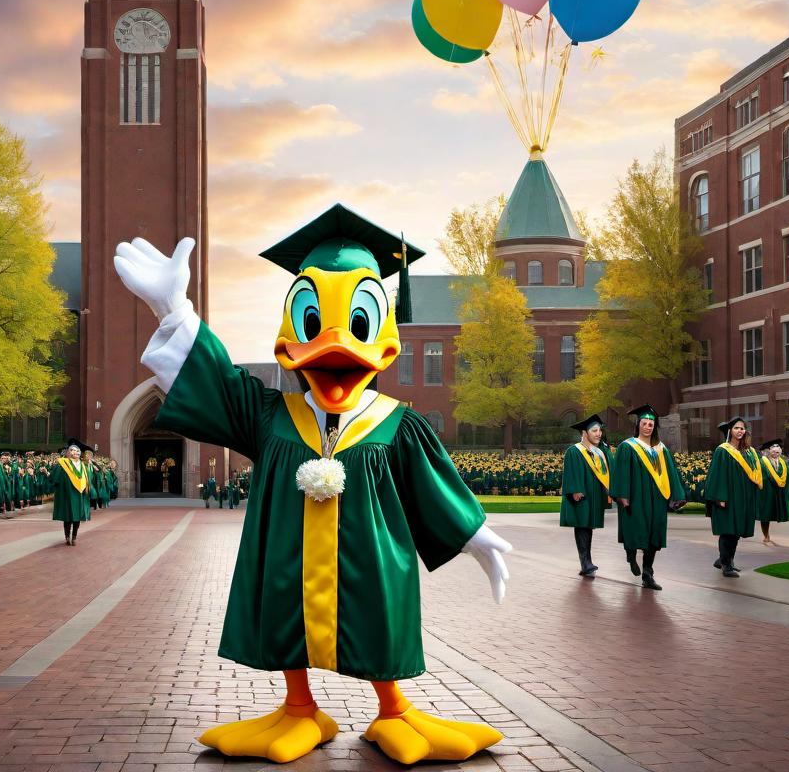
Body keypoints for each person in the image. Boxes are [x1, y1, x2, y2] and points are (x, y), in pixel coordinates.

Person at [114, 210, 512, 764]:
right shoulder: (269, 415)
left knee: (376, 615)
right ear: (287, 335)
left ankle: (395, 711)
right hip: (287, 558)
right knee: (284, 609)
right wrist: (173, 309)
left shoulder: (398, 424)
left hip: (369, 562)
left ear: (386, 341)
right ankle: (300, 708)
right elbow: (216, 382)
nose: (333, 349)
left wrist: (476, 535)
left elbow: (432, 487)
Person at [610, 405, 686, 591]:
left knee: (654, 534)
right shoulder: (628, 447)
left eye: (651, 424)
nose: (648, 427)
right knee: (636, 529)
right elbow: (621, 473)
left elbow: (671, 473)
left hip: (657, 498)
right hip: (636, 497)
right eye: (644, 423)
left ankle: (648, 573)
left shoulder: (661, 449)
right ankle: (631, 554)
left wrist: (677, 495)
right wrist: (623, 495)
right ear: (638, 425)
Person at [704, 417, 761, 577]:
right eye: (736, 428)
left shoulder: (748, 452)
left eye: (742, 428)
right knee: (728, 530)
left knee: (736, 531)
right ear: (730, 431)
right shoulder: (723, 450)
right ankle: (726, 565)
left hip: (743, 498)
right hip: (728, 497)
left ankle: (726, 559)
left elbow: (754, 473)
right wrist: (719, 497)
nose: (740, 431)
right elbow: (716, 475)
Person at [559, 414, 611, 578]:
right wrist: (575, 490)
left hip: (594, 495)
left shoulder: (599, 452)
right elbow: (570, 472)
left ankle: (586, 563)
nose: (598, 433)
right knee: (582, 525)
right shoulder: (574, 451)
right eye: (594, 430)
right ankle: (586, 563)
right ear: (584, 432)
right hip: (581, 495)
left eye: (600, 431)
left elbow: (610, 467)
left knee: (588, 526)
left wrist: (605, 448)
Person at [52, 439, 91, 545]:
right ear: (68, 453)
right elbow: (55, 479)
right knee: (68, 517)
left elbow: (88, 481)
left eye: (78, 451)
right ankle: (67, 536)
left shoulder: (83, 466)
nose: (76, 452)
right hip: (67, 495)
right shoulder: (62, 464)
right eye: (73, 450)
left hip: (79, 495)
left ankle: (74, 537)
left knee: (77, 517)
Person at [758, 438, 789, 545]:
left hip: (779, 491)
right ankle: (766, 535)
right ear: (769, 451)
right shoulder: (762, 462)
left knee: (775, 511)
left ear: (781, 452)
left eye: (778, 450)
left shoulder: (784, 463)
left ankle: (768, 532)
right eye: (773, 450)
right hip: (767, 491)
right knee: (765, 514)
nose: (776, 452)